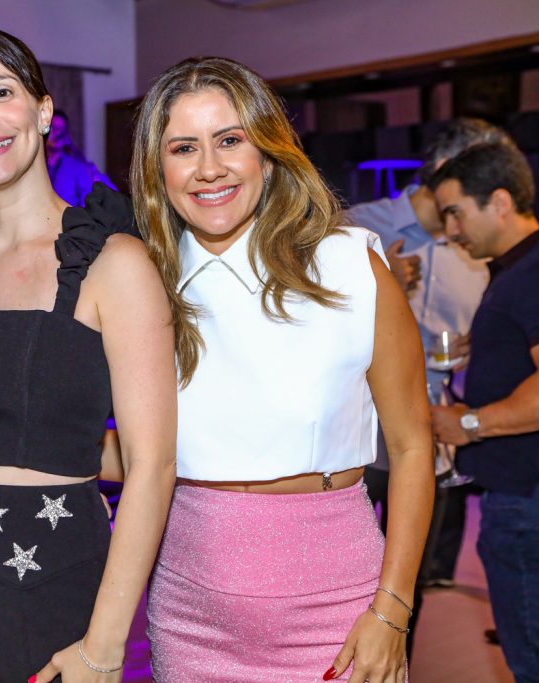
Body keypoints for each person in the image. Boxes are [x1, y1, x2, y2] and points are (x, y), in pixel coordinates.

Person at [133, 57, 434, 683]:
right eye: (184, 147)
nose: (209, 168)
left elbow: (411, 447)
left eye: (230, 140)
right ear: (158, 172)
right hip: (189, 609)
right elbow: (138, 448)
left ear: (268, 153)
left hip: (337, 608)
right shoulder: (144, 283)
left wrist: (394, 611)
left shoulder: (350, 265)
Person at [0, 26, 179, 682]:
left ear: (44, 111)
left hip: (50, 580)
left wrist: (105, 644)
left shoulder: (114, 264)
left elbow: (153, 464)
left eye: (1, 91)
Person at [346, 120, 512, 596]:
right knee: (345, 585)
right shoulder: (356, 226)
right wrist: (376, 284)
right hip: (360, 435)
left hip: (435, 438)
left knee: (408, 590)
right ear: (443, 170)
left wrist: (472, 348)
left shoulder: (480, 250)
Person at [429, 142, 539, 682]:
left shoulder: (530, 270)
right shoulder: (517, 268)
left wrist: (468, 425)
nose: (449, 229)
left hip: (527, 500)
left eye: (455, 211)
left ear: (499, 201)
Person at [46, 109, 116, 207]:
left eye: (61, 129)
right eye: (53, 128)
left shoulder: (78, 166)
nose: (57, 133)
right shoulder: (34, 165)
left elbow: (111, 197)